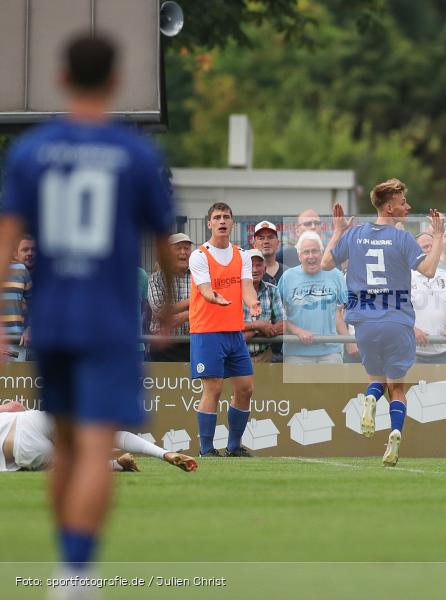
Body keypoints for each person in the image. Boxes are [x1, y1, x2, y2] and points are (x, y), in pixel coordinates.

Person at [0, 33, 176, 584]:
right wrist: (168, 307)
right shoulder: (135, 154)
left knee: (68, 445)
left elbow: (6, 243)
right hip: (109, 321)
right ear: (116, 81)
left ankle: (66, 565)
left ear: (62, 78)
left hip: (52, 320)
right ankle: (76, 577)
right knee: (96, 443)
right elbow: (165, 245)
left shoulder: (31, 151)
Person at [323, 178, 445, 466]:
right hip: (397, 322)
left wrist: (338, 231)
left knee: (376, 380)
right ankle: (395, 432)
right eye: (403, 202)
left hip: (364, 324)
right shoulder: (402, 238)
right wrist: (438, 236)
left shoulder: (355, 235)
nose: (408, 206)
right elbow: (429, 270)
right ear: (389, 208)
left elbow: (326, 263)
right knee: (398, 388)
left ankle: (371, 398)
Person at [189, 202, 261, 458]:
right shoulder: (199, 255)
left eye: (226, 217)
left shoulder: (242, 254)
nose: (222, 221)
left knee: (245, 388)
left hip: (234, 332)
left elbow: (247, 287)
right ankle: (206, 449)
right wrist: (213, 297)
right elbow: (205, 289)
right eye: (217, 217)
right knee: (214, 389)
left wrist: (252, 303)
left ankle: (233, 447)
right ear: (209, 223)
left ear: (232, 223)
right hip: (207, 331)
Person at [0, 402, 197, 473]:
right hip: (30, 420)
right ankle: (165, 453)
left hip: (22, 450)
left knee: (72, 466)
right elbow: (15, 406)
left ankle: (117, 465)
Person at [279, 231, 352, 364]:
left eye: (315, 251)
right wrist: (297, 331)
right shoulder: (287, 277)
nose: (311, 256)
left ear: (322, 253)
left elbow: (342, 310)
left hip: (331, 352)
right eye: (306, 252)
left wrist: (348, 341)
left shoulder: (335, 275)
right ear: (299, 256)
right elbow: (276, 315)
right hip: (296, 353)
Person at [411, 233, 446, 364]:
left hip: (441, 352)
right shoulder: (405, 275)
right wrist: (411, 329)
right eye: (425, 247)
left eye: (432, 246)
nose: (429, 249)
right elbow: (395, 311)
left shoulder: (445, 276)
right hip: (412, 351)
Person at [148, 233, 193, 362]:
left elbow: (209, 307)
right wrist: (192, 303)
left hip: (192, 344)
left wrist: (184, 316)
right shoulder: (156, 279)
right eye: (178, 248)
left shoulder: (199, 277)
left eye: (186, 248)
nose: (183, 252)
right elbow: (160, 310)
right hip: (163, 345)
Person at [243, 249, 285, 363]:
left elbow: (282, 324)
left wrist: (253, 332)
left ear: (265, 269)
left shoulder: (272, 290)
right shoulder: (233, 291)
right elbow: (229, 326)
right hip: (238, 357)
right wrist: (259, 325)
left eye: (259, 265)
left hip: (265, 356)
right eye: (250, 265)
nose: (255, 269)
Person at [2, 245, 31, 361]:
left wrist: (29, 329)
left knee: (15, 372)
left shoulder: (21, 269)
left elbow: (34, 303)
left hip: (15, 342)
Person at [252, 220, 285, 285]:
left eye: (270, 237)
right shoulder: (247, 273)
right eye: (261, 238)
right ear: (254, 244)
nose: (266, 241)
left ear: (277, 243)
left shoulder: (287, 272)